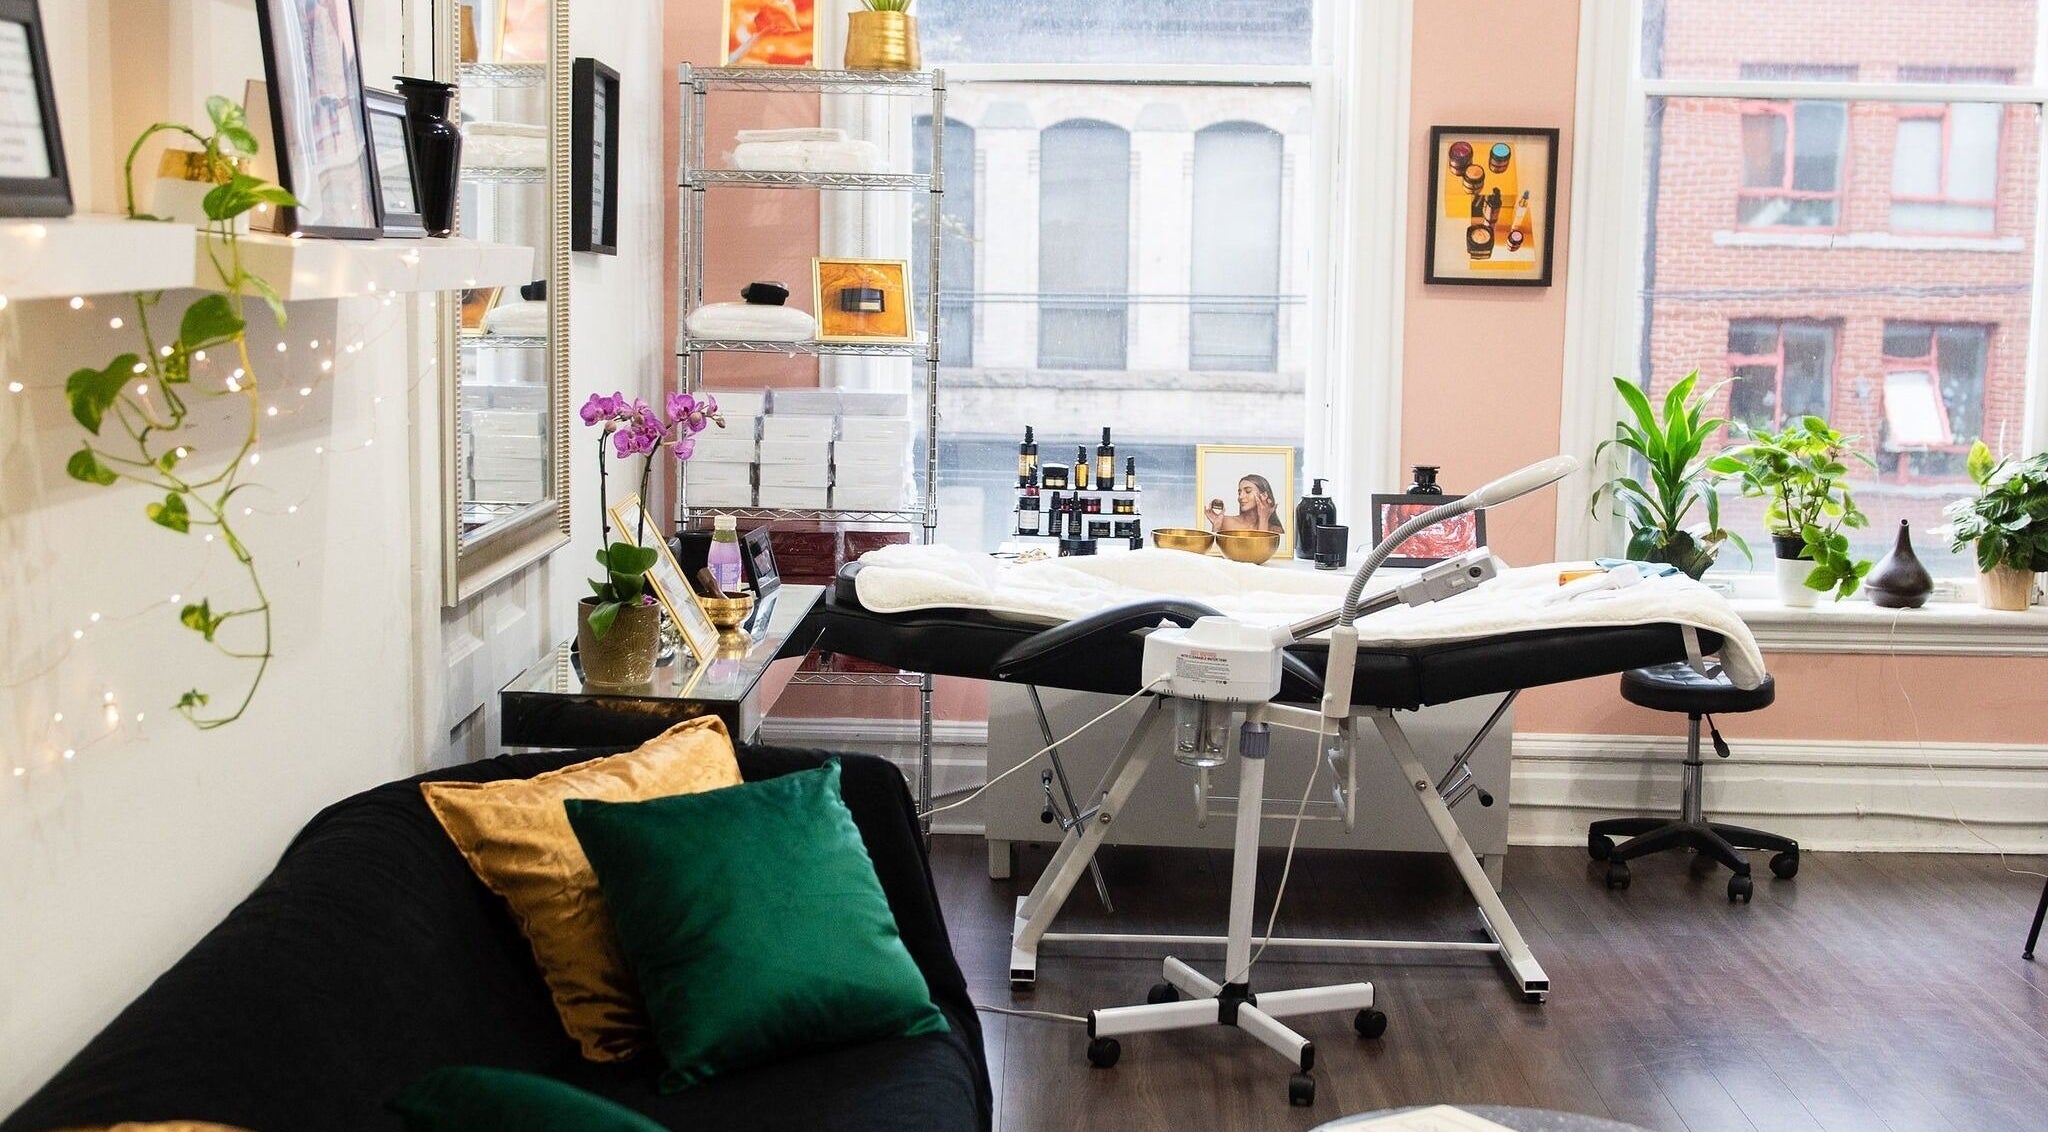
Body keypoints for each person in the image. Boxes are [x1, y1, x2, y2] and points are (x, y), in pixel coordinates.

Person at [1205, 474, 1285, 534]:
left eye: (1248, 491)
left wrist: (1263, 519)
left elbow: (1260, 551)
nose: (1240, 497)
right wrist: (1216, 527)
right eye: (1239, 492)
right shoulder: (1225, 522)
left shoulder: (1275, 530)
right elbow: (1214, 552)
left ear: (1264, 495)